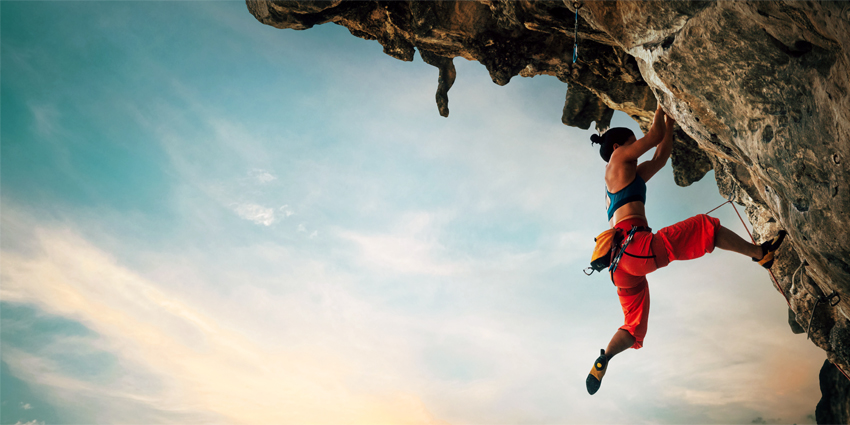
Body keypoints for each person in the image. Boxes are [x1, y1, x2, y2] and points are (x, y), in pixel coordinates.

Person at [585, 104, 787, 395]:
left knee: (633, 326)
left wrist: (669, 120)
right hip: (635, 248)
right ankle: (761, 254)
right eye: (632, 141)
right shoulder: (616, 159)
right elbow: (653, 136)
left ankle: (604, 358)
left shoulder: (626, 177)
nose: (635, 144)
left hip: (620, 266)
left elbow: (661, 156)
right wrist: (659, 103)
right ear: (618, 146)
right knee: (706, 227)